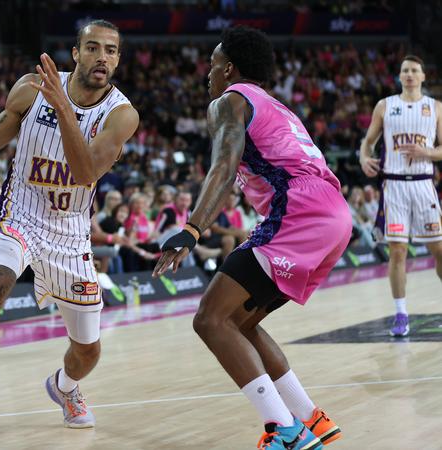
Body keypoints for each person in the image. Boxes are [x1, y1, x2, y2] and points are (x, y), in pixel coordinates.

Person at [0, 20, 138, 446]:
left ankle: (65, 387)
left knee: (87, 351)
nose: (102, 58)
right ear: (75, 54)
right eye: (92, 48)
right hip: (19, 213)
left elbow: (86, 171)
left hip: (71, 234)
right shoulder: (30, 88)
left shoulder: (121, 114)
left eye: (111, 51)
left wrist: (62, 108)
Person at [153, 26, 351, 449]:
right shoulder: (277, 106)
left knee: (209, 318)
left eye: (211, 66)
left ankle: (284, 432)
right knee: (238, 323)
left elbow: (222, 167)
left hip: (300, 211)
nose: (208, 75)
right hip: (334, 214)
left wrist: (192, 229)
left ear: (229, 69)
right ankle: (308, 418)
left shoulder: (231, 100)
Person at [359, 54, 442, 337]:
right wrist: (362, 158)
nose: (409, 74)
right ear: (399, 76)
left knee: (439, 251)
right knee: (397, 251)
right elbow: (368, 142)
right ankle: (401, 314)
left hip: (423, 185)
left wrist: (427, 152)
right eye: (405, 70)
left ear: (422, 76)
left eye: (414, 70)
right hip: (393, 186)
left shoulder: (436, 107)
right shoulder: (385, 106)